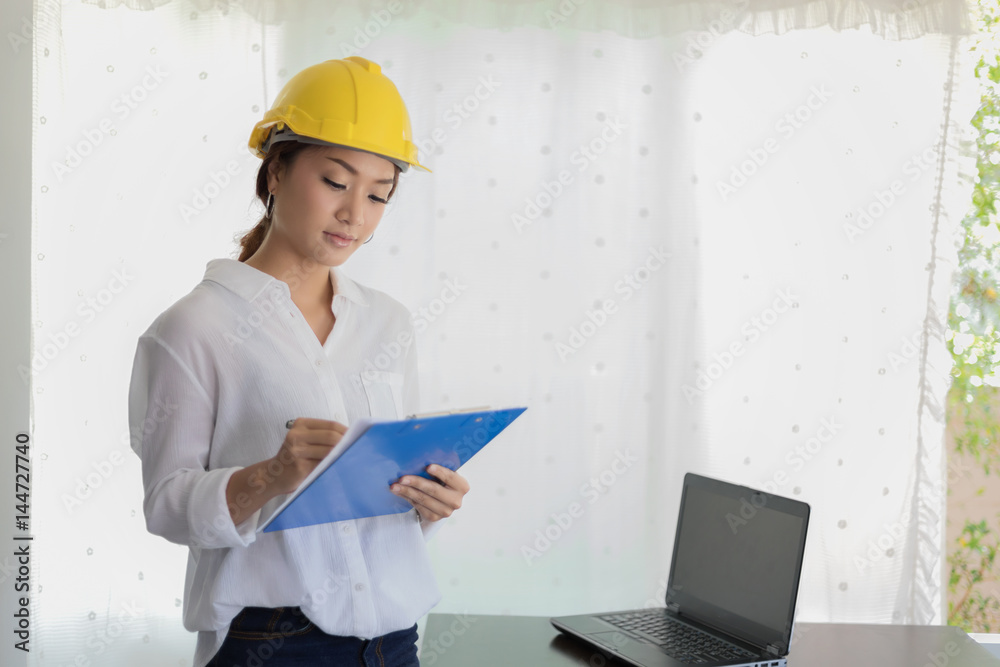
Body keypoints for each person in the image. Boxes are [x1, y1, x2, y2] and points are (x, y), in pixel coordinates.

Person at [127, 56, 468, 667]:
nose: (354, 214)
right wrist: (271, 474)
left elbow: (381, 494)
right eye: (335, 182)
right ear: (276, 171)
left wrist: (426, 502)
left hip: (394, 639)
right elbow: (167, 506)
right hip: (271, 644)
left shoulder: (389, 322)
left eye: (379, 194)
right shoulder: (191, 330)